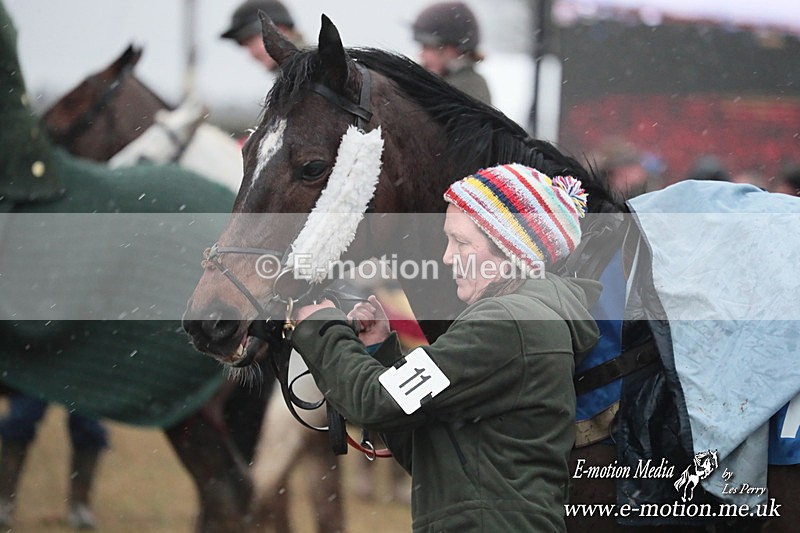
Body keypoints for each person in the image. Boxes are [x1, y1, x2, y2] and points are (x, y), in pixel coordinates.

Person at [290, 164, 601, 531]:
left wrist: (322, 326)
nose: (447, 257)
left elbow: (375, 401)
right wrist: (379, 351)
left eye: (462, 242)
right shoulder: (521, 319)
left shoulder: (506, 323)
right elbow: (431, 458)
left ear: (511, 250)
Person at [0, 393, 108, 530]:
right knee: (20, 420)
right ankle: (4, 502)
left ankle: (80, 506)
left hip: (82, 376)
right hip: (38, 373)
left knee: (89, 427)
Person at [412, 1, 492, 105]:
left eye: (428, 46)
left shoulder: (468, 89)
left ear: (453, 50)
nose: (421, 54)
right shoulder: (430, 80)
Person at [220, 0, 304, 72]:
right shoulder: (296, 79)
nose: (252, 54)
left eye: (251, 40)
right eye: (246, 45)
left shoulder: (313, 74)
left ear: (279, 30)